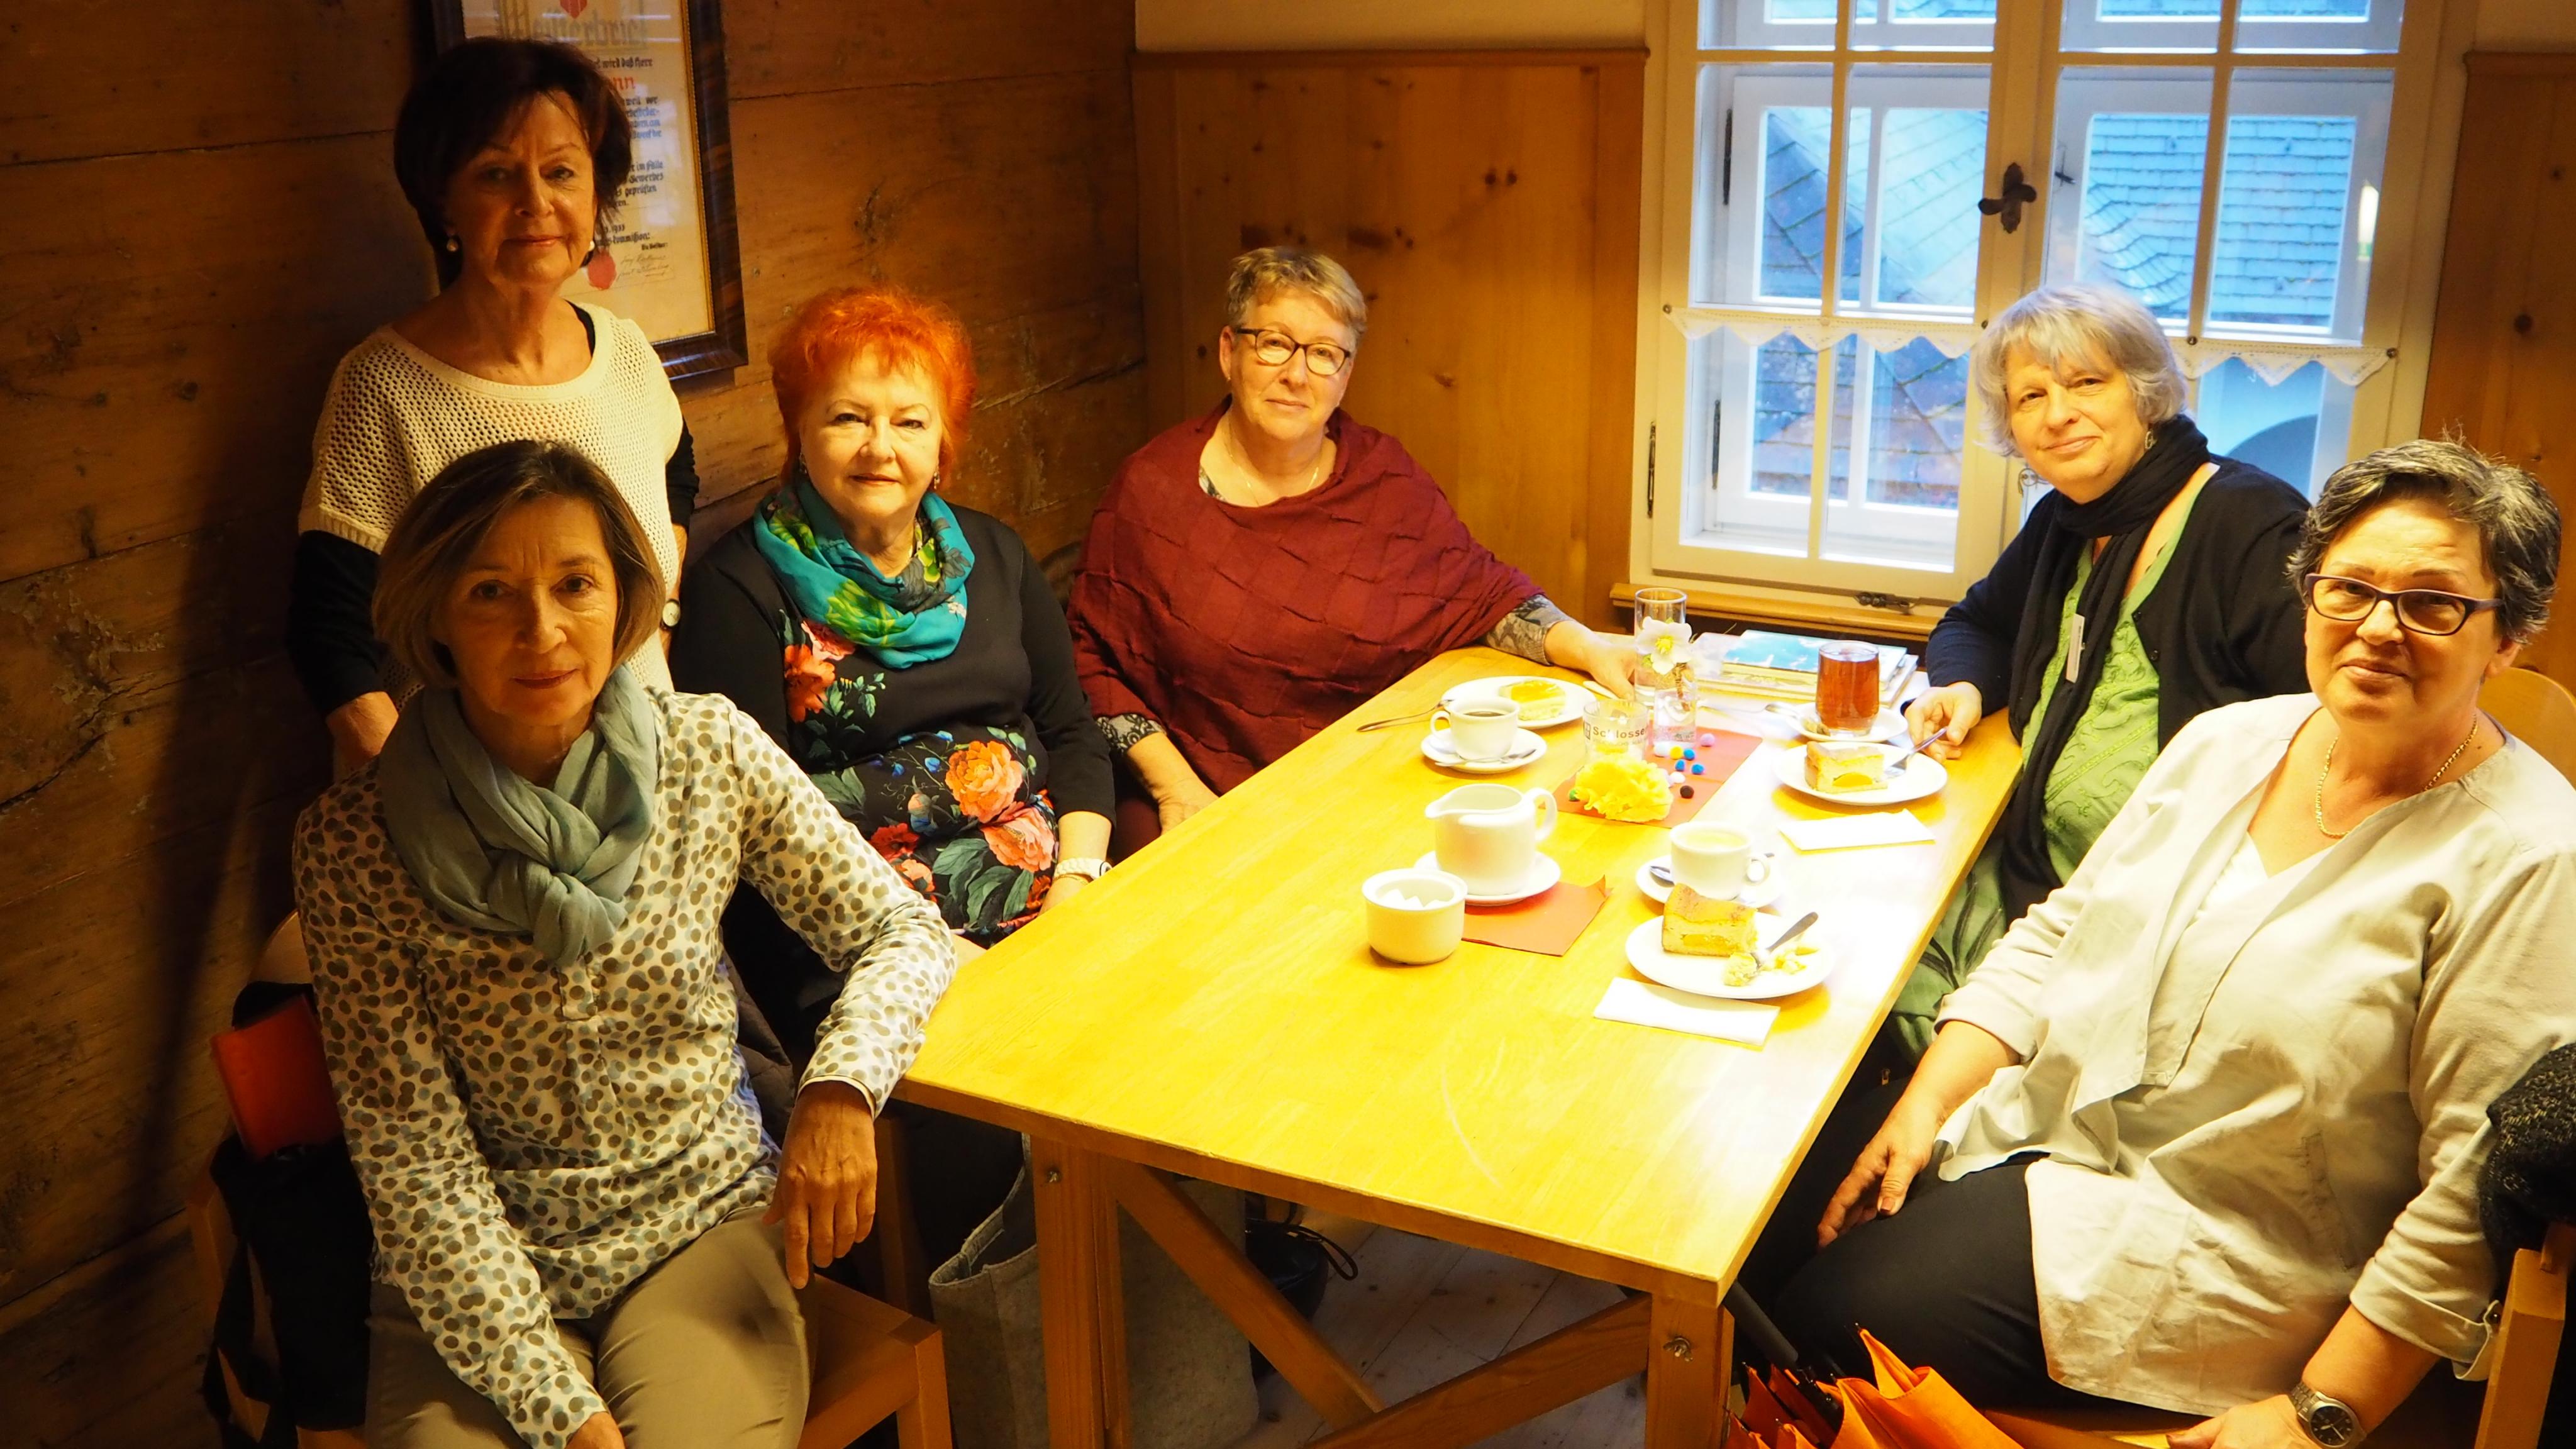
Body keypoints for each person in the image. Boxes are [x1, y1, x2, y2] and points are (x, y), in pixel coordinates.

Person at [1756, 440, 2573, 1445]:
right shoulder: (2231, 740)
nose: (2376, 627)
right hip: (2051, 1125)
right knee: (1754, 1214)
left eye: (2433, 603)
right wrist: (1927, 1101)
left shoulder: (2532, 856)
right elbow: (2061, 932)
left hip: (2235, 1243)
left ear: (2508, 637)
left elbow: (2471, 1190)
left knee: (1823, 1321)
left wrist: (2323, 1410)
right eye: (2349, 587)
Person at [295, 440, 955, 1449]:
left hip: (698, 1221)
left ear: (625, 597)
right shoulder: (352, 844)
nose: (543, 631)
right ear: (435, 616)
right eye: (490, 593)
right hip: (471, 1271)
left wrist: (839, 1091)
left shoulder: (706, 751)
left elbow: (899, 927)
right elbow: (413, 1159)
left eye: (576, 584)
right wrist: (562, 1411)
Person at [669, 284, 1102, 1266]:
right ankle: (1010, 1318)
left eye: (909, 421)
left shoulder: (992, 554)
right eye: (848, 418)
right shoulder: (741, 591)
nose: (880, 448)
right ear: (799, 430)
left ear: (945, 440)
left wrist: (1080, 887)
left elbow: (1073, 734)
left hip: (1050, 896)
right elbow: (755, 841)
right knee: (1006, 1090)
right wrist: (942, 956)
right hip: (858, 939)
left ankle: (1169, 1295)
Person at [1067, 247, 1637, 849]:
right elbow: (1090, 664)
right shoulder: (1154, 491)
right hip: (1205, 801)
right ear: (1230, 352)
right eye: (1274, 344)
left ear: (1346, 374)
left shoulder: (1382, 478)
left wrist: (1591, 646)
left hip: (1367, 783)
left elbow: (1486, 596)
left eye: (1324, 353)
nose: (1297, 374)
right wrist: (1176, 789)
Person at [1887, 284, 2310, 1057]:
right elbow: (1977, 623)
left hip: (2154, 913)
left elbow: (2318, 728)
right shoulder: (2066, 521)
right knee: (1855, 952)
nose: (2058, 415)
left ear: (2143, 392)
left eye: (2086, 382)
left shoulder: (2249, 522)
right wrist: (1962, 686)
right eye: (2031, 396)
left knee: (1884, 995)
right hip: (2026, 861)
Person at [287, 36, 697, 776]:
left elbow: (678, 475)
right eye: (497, 174)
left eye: (561, 172)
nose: (535, 203)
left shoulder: (626, 353)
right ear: (442, 200)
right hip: (469, 802)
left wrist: (659, 616)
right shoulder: (384, 386)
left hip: (640, 773)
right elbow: (330, 635)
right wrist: (420, 794)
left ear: (596, 196)